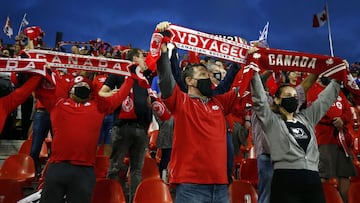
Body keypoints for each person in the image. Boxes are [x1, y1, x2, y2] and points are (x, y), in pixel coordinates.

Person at [156, 22, 239, 203]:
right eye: (203, 74)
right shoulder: (180, 100)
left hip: (221, 186)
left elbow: (243, 84)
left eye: (208, 75)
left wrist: (246, 59)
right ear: (190, 81)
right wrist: (163, 52)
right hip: (190, 186)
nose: (208, 78)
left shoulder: (219, 102)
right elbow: (165, 80)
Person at [37, 72, 137, 203]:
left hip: (83, 170)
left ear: (91, 92)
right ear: (70, 91)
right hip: (58, 166)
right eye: (78, 85)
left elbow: (120, 96)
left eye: (85, 86)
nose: (82, 87)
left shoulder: (98, 107)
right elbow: (39, 90)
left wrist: (131, 77)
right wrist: (41, 72)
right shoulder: (58, 104)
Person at [250, 61, 343, 202]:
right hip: (285, 178)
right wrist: (252, 68)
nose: (293, 99)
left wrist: (338, 78)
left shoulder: (307, 117)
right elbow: (260, 101)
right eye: (288, 96)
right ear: (277, 100)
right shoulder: (272, 121)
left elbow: (324, 101)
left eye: (294, 96)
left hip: (312, 178)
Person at [252, 70, 318, 203]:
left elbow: (305, 86)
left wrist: (318, 69)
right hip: (268, 157)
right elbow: (256, 84)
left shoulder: (289, 102)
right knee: (267, 197)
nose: (291, 97)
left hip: (290, 159)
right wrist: (268, 70)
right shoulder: (261, 103)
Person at [100, 48, 153, 202]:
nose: (144, 60)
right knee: (115, 167)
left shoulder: (145, 77)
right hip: (122, 127)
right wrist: (115, 94)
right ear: (135, 57)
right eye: (143, 56)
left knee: (137, 170)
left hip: (141, 128)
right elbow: (102, 93)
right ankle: (112, 198)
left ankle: (134, 200)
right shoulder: (118, 73)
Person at [307, 76, 357, 202]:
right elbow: (314, 110)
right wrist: (334, 121)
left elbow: (348, 111)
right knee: (323, 176)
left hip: (341, 142)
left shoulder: (338, 91)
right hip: (324, 140)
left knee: (344, 174)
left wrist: (342, 120)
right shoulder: (313, 90)